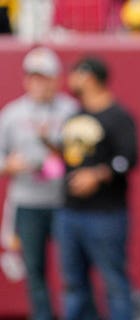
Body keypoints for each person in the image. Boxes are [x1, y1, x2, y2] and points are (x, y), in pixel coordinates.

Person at [52, 56, 138, 320]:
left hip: (106, 214)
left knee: (114, 284)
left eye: (75, 73)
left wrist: (97, 175)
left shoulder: (119, 116)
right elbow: (71, 157)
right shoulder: (75, 115)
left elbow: (128, 159)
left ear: (88, 76)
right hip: (70, 212)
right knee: (73, 284)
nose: (70, 80)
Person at [0, 47, 77, 320]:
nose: (39, 84)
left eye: (44, 77)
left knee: (71, 269)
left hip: (63, 202)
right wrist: (9, 165)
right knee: (34, 270)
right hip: (27, 202)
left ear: (56, 79)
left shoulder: (70, 110)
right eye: (34, 77)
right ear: (25, 79)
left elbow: (83, 154)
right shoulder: (11, 114)